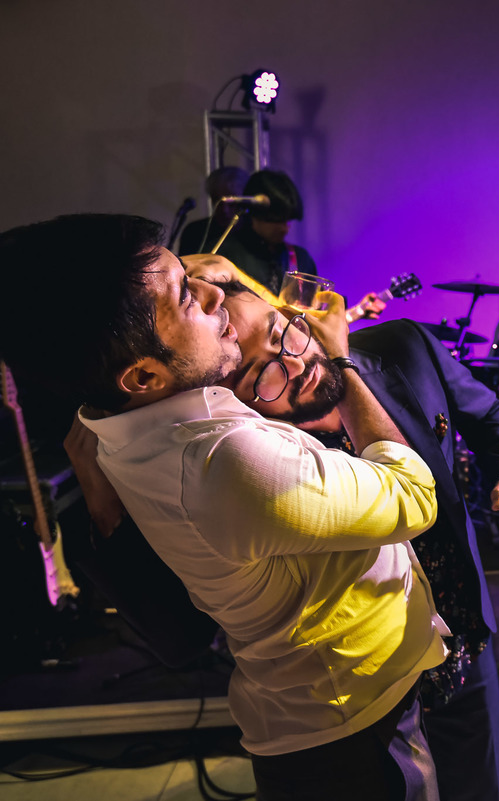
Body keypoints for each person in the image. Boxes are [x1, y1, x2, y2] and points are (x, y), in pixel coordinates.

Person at [0, 214, 447, 800]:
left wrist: (212, 274)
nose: (214, 295)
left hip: (337, 711)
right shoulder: (227, 465)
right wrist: (340, 358)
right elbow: (414, 494)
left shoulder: (111, 414)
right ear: (143, 374)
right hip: (353, 729)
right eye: (187, 296)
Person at [191, 255, 499, 801]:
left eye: (284, 336)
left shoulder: (404, 347)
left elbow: (488, 417)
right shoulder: (250, 457)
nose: (295, 365)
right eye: (261, 373)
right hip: (368, 692)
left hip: (465, 634)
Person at [211, 168, 386, 321]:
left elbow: (312, 321)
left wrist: (356, 312)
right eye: (276, 221)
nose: (284, 228)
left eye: (287, 221)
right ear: (254, 214)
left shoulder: (300, 258)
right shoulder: (226, 254)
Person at [177, 165, 250, 256]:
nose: (224, 210)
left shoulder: (255, 232)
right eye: (217, 201)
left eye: (231, 203)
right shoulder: (195, 232)